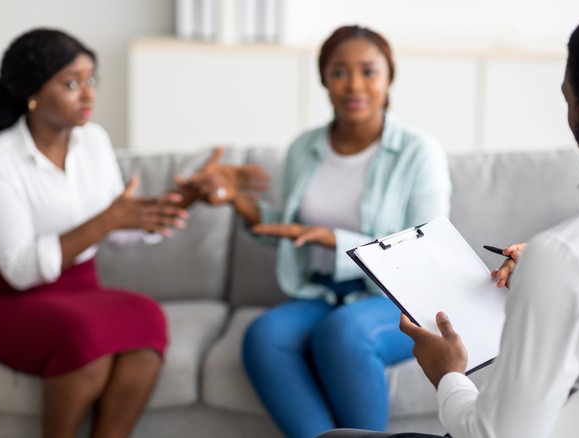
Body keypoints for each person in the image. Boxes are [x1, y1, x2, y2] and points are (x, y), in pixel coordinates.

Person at [317, 5, 579, 438]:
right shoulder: (567, 261)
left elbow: (494, 434)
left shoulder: (568, 257)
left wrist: (448, 374)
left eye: (567, 101)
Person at [186, 25, 452, 438]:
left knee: (344, 334)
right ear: (324, 80)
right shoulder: (304, 148)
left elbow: (426, 251)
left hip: (395, 300)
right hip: (321, 292)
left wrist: (337, 241)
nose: (354, 85)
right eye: (339, 72)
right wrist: (235, 198)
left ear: (389, 76)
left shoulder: (419, 152)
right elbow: (287, 227)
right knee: (264, 336)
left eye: (368, 71)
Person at [0, 28, 190, 437]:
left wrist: (185, 199)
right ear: (32, 92)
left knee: (148, 318)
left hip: (83, 291)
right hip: (12, 302)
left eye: (90, 80)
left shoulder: (94, 142)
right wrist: (107, 219)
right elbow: (20, 271)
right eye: (71, 83)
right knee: (87, 340)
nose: (88, 95)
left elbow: (121, 229)